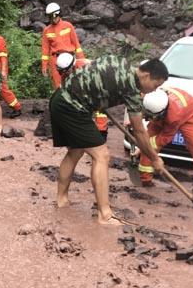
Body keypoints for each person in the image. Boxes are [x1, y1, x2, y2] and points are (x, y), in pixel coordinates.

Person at [50, 56, 168, 225]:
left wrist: (97, 95)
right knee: (102, 155)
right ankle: (104, 215)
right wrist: (154, 158)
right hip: (71, 107)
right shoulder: (132, 89)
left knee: (75, 151)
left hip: (60, 99)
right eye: (155, 86)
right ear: (145, 76)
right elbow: (140, 131)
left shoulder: (119, 61)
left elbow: (94, 69)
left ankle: (62, 201)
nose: (154, 90)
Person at [136, 87, 193, 201]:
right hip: (161, 115)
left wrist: (144, 145)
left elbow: (165, 138)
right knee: (148, 142)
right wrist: (131, 121)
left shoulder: (173, 116)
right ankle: (145, 181)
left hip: (190, 117)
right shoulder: (146, 96)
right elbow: (130, 105)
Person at [55, 52, 108, 138]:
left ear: (71, 66)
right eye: (62, 71)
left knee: (100, 109)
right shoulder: (65, 73)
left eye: (66, 71)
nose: (65, 73)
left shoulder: (86, 68)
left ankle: (102, 133)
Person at [41, 2, 84, 89]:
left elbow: (76, 44)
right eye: (50, 17)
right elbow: (45, 50)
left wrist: (81, 59)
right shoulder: (47, 31)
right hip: (55, 60)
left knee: (74, 82)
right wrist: (44, 66)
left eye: (55, 16)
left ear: (59, 14)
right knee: (58, 85)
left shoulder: (68, 26)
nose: (53, 19)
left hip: (69, 59)